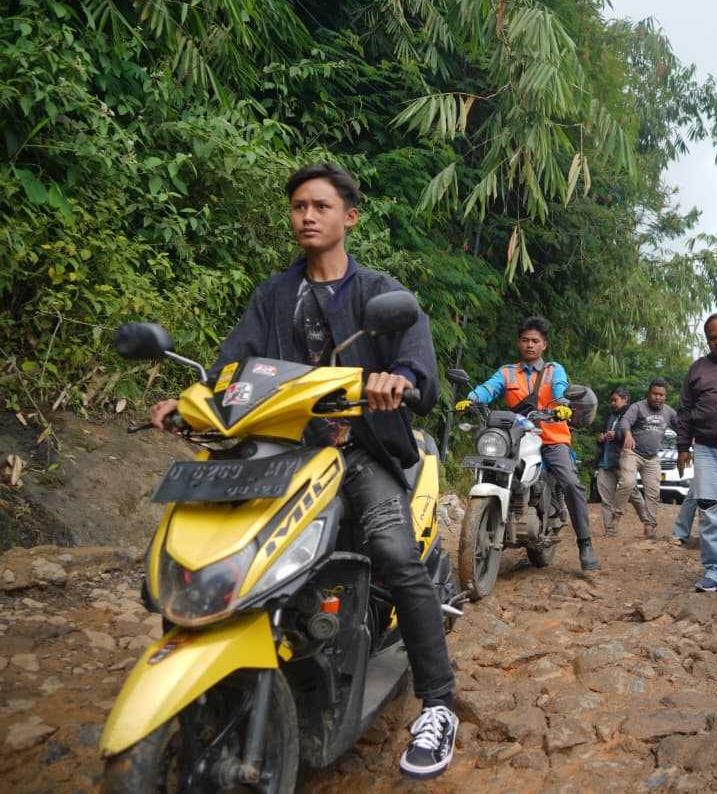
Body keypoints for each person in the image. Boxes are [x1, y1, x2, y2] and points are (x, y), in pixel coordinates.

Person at [148, 163, 458, 780]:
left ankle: (439, 705)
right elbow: (232, 365)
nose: (307, 216)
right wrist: (190, 398)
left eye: (320, 205)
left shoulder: (380, 293)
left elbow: (416, 363)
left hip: (359, 451)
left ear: (350, 217)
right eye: (297, 206)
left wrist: (401, 381)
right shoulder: (272, 295)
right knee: (215, 552)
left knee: (396, 555)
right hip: (278, 455)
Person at [458, 316, 600, 572]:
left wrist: (563, 406)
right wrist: (471, 399)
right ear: (519, 343)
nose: (530, 345)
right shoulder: (507, 372)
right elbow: (488, 388)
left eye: (535, 341)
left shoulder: (553, 370)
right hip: (516, 436)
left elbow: (560, 390)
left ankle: (585, 543)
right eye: (525, 340)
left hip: (551, 437)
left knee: (570, 482)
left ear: (544, 345)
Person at [676, 313, 717, 591]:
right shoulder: (698, 369)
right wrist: (682, 446)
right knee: (710, 509)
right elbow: (685, 410)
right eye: (712, 337)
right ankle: (716, 571)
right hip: (705, 448)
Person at [613, 379, 678, 538]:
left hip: (652, 457)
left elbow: (682, 427)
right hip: (632, 452)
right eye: (655, 394)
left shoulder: (669, 412)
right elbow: (625, 422)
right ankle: (614, 520)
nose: (658, 398)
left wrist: (690, 443)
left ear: (665, 396)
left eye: (661, 395)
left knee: (653, 492)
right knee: (628, 483)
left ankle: (649, 528)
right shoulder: (638, 407)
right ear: (648, 394)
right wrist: (628, 435)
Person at [595, 388, 634, 536]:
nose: (612, 403)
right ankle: (610, 531)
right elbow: (602, 439)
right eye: (611, 400)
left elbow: (634, 438)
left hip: (622, 462)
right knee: (606, 499)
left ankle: (648, 522)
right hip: (605, 462)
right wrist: (600, 439)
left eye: (615, 400)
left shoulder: (632, 416)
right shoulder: (611, 417)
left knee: (634, 494)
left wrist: (617, 435)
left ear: (625, 399)